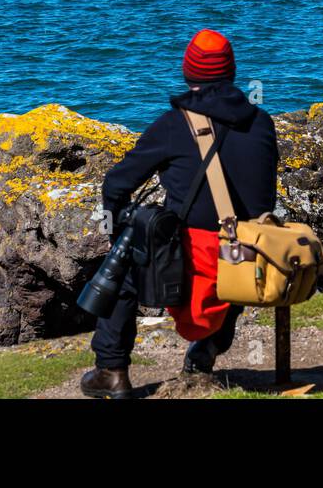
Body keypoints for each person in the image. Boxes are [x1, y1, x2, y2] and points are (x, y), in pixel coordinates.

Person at [79, 29, 278, 399]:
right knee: (237, 239)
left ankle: (111, 370)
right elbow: (263, 199)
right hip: (243, 261)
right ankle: (207, 349)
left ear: (189, 72)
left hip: (186, 260)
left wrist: (120, 232)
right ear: (231, 71)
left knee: (121, 272)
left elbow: (116, 185)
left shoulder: (174, 125)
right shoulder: (262, 123)